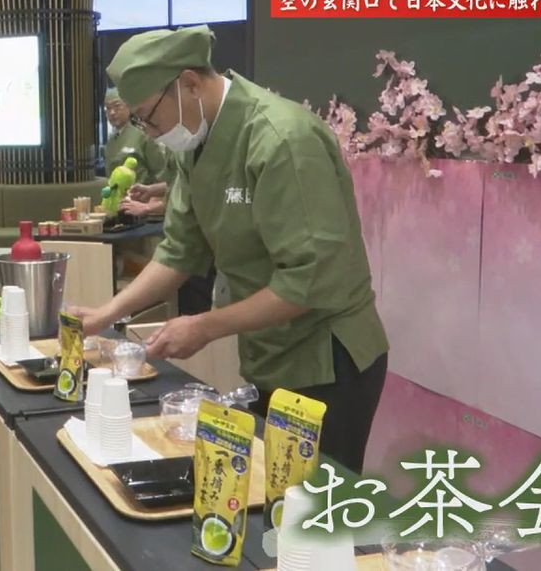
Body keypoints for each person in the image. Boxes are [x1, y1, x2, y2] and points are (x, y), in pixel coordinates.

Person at [75, 25, 389, 473]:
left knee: (311, 512)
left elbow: (307, 281)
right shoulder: (194, 142)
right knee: (267, 497)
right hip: (270, 351)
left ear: (188, 83)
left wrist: (204, 326)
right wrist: (108, 314)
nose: (147, 132)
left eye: (147, 117)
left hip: (328, 359)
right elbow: (180, 249)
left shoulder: (282, 140)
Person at [103, 86, 169, 185]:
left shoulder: (144, 134)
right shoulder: (110, 141)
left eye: (117, 106)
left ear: (129, 107)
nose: (112, 112)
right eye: (108, 108)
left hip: (141, 196)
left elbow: (161, 172)